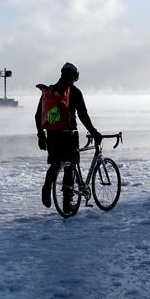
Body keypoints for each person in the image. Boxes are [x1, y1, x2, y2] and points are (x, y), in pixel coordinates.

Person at [35, 62, 102, 209]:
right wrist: (94, 132)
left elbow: (38, 115)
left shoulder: (50, 92)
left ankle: (47, 187)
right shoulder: (75, 92)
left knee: (55, 164)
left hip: (52, 135)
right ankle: (67, 203)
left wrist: (41, 136)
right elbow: (83, 115)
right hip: (69, 135)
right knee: (70, 167)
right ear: (74, 77)